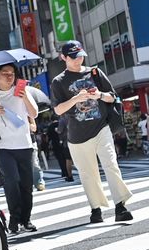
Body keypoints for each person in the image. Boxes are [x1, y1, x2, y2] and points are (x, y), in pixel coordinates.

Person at [50, 41, 134, 224]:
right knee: (88, 174)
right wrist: (76, 98)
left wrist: (99, 95)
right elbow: (57, 110)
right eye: (73, 57)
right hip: (77, 135)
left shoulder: (94, 72)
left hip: (101, 128)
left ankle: (121, 206)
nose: (78, 59)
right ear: (63, 57)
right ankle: (96, 209)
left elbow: (113, 97)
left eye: (80, 55)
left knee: (111, 164)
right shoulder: (59, 81)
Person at [0, 63, 39, 234]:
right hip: (3, 147)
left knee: (26, 184)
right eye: (6, 73)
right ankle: (14, 219)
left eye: (12, 73)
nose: (10, 77)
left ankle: (26, 220)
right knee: (12, 180)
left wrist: (25, 96)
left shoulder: (21, 91)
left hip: (25, 145)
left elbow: (34, 114)